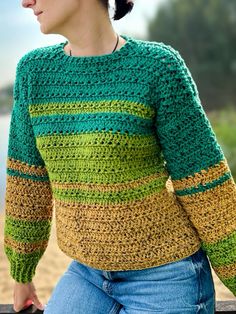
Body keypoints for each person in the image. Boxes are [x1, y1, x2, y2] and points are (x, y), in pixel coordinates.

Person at [3, 0, 236, 313]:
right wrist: (22, 273)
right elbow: (26, 183)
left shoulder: (157, 67)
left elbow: (206, 186)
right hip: (87, 273)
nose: (25, 1)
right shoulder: (34, 73)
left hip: (166, 273)